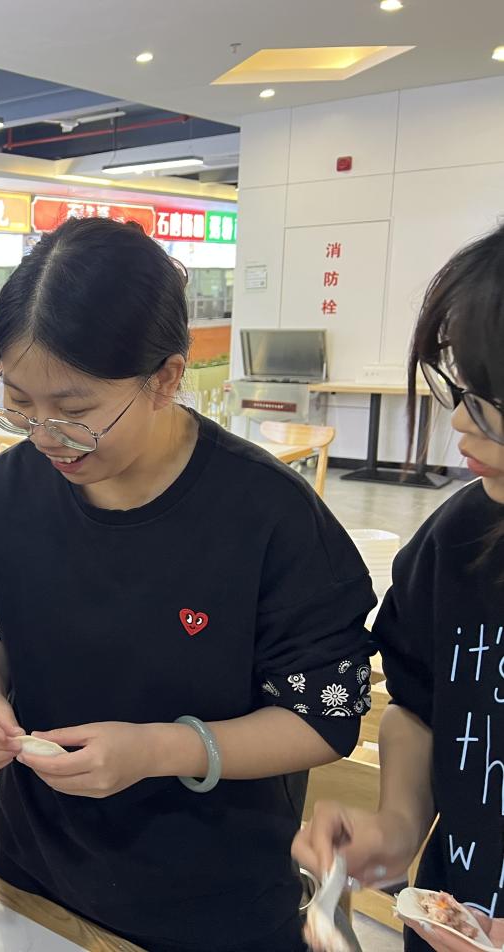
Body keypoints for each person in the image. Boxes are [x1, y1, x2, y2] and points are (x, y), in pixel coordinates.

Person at [0, 217, 377, 952]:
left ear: (167, 379)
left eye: (75, 411)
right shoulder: (8, 489)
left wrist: (161, 750)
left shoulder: (268, 515)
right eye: (19, 403)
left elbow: (322, 718)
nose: (45, 435)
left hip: (208, 903)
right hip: (31, 869)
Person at [295, 224, 504, 952]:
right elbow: (418, 702)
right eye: (463, 389)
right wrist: (397, 823)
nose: (460, 419)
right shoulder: (460, 541)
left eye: (491, 398)